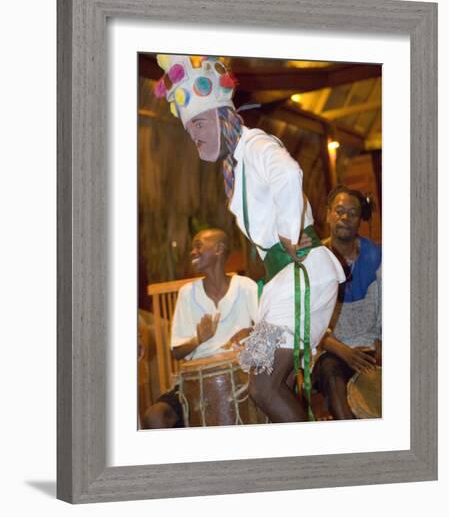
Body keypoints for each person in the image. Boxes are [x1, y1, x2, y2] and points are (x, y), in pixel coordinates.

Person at [154, 55, 345, 422]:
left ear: (222, 115)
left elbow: (289, 174)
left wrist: (290, 231)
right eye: (189, 128)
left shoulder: (255, 145)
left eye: (199, 123)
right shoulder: (236, 161)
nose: (194, 135)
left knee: (263, 387)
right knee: (269, 381)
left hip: (302, 273)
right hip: (282, 280)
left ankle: (308, 467)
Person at [142, 228, 258, 428]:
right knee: (155, 416)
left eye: (198, 246)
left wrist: (251, 332)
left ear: (218, 249)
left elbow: (269, 331)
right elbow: (177, 352)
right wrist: (199, 339)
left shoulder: (245, 286)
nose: (192, 252)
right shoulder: (187, 294)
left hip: (243, 378)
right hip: (195, 384)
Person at [314, 186, 382, 420]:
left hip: (372, 346)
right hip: (332, 350)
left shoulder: (377, 255)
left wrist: (381, 344)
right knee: (331, 372)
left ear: (360, 219)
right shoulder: (314, 260)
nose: (345, 217)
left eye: (352, 213)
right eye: (339, 210)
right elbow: (306, 325)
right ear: (328, 214)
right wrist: (343, 351)